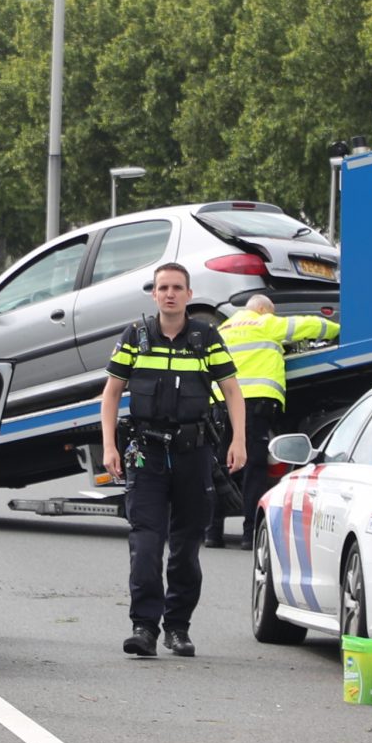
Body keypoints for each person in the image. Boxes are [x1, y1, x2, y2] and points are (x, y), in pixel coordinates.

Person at [100, 262, 246, 658]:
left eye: (177, 287)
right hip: (146, 454)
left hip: (193, 453)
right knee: (146, 543)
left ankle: (177, 628)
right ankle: (144, 627)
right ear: (154, 294)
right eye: (163, 287)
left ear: (189, 294)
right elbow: (111, 393)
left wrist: (239, 442)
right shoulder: (136, 335)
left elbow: (232, 391)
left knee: (186, 547)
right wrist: (110, 447)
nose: (170, 293)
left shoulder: (205, 336)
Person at [206, 294, 339, 548]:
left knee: (220, 468)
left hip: (221, 404)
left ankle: (212, 533)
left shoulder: (222, 329)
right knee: (253, 467)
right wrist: (338, 330)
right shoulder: (266, 323)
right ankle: (249, 535)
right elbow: (308, 325)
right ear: (264, 310)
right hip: (255, 403)